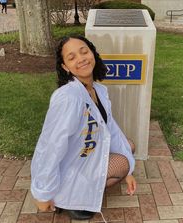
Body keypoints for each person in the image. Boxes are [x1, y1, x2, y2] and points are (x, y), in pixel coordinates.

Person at [31, 35, 137, 221]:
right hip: (72, 167)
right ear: (65, 67)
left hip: (84, 156)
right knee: (123, 161)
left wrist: (129, 173)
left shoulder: (98, 90)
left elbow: (111, 129)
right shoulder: (69, 97)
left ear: (92, 53)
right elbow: (50, 146)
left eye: (84, 51)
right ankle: (69, 200)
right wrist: (43, 192)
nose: (81, 59)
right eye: (71, 57)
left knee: (129, 145)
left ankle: (79, 194)